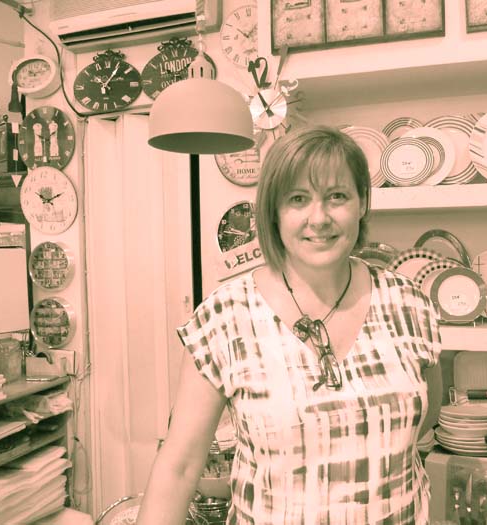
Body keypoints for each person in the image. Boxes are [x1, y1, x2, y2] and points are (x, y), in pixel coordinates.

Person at [136, 125, 442, 525]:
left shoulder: (409, 304)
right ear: (274, 212)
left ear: (362, 203)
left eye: (337, 196)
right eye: (298, 199)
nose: (319, 218)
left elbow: (426, 419)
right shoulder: (226, 315)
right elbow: (179, 467)